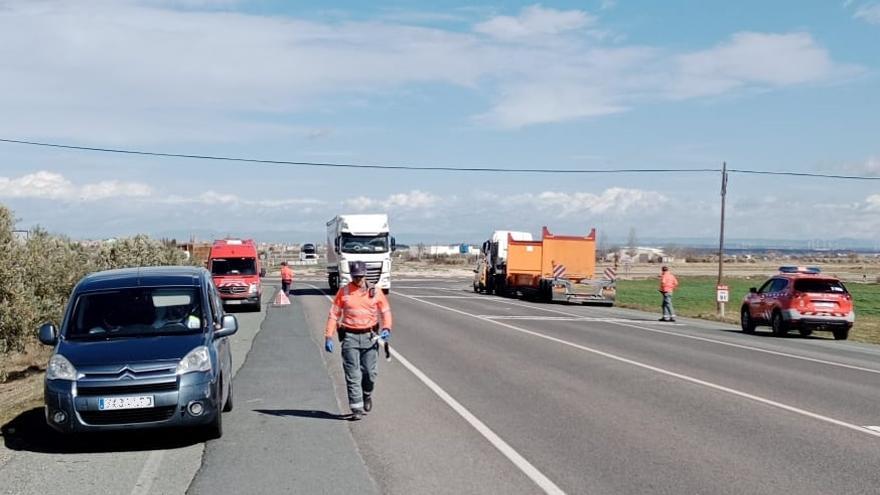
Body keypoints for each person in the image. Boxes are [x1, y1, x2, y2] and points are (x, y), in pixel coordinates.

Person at [324, 261, 393, 421]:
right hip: (350, 337)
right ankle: (356, 408)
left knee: (370, 373)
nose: (358, 280)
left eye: (360, 276)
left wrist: (386, 328)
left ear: (365, 274)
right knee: (353, 374)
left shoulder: (375, 291)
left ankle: (366, 394)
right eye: (355, 277)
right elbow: (334, 315)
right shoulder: (344, 292)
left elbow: (385, 311)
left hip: (370, 337)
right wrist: (328, 335)